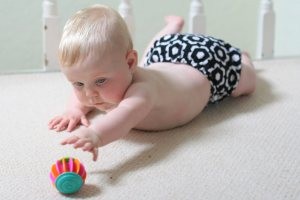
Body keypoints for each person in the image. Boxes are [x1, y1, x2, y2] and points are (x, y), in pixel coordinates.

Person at [48, 4, 256, 161]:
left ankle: (244, 60)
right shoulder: (106, 79)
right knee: (153, 51)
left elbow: (123, 119)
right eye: (78, 84)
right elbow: (86, 94)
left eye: (100, 81)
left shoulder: (142, 92)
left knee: (246, 85)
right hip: (165, 54)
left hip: (206, 66)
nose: (90, 95)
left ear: (130, 63)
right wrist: (74, 110)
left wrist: (95, 134)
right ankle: (172, 28)